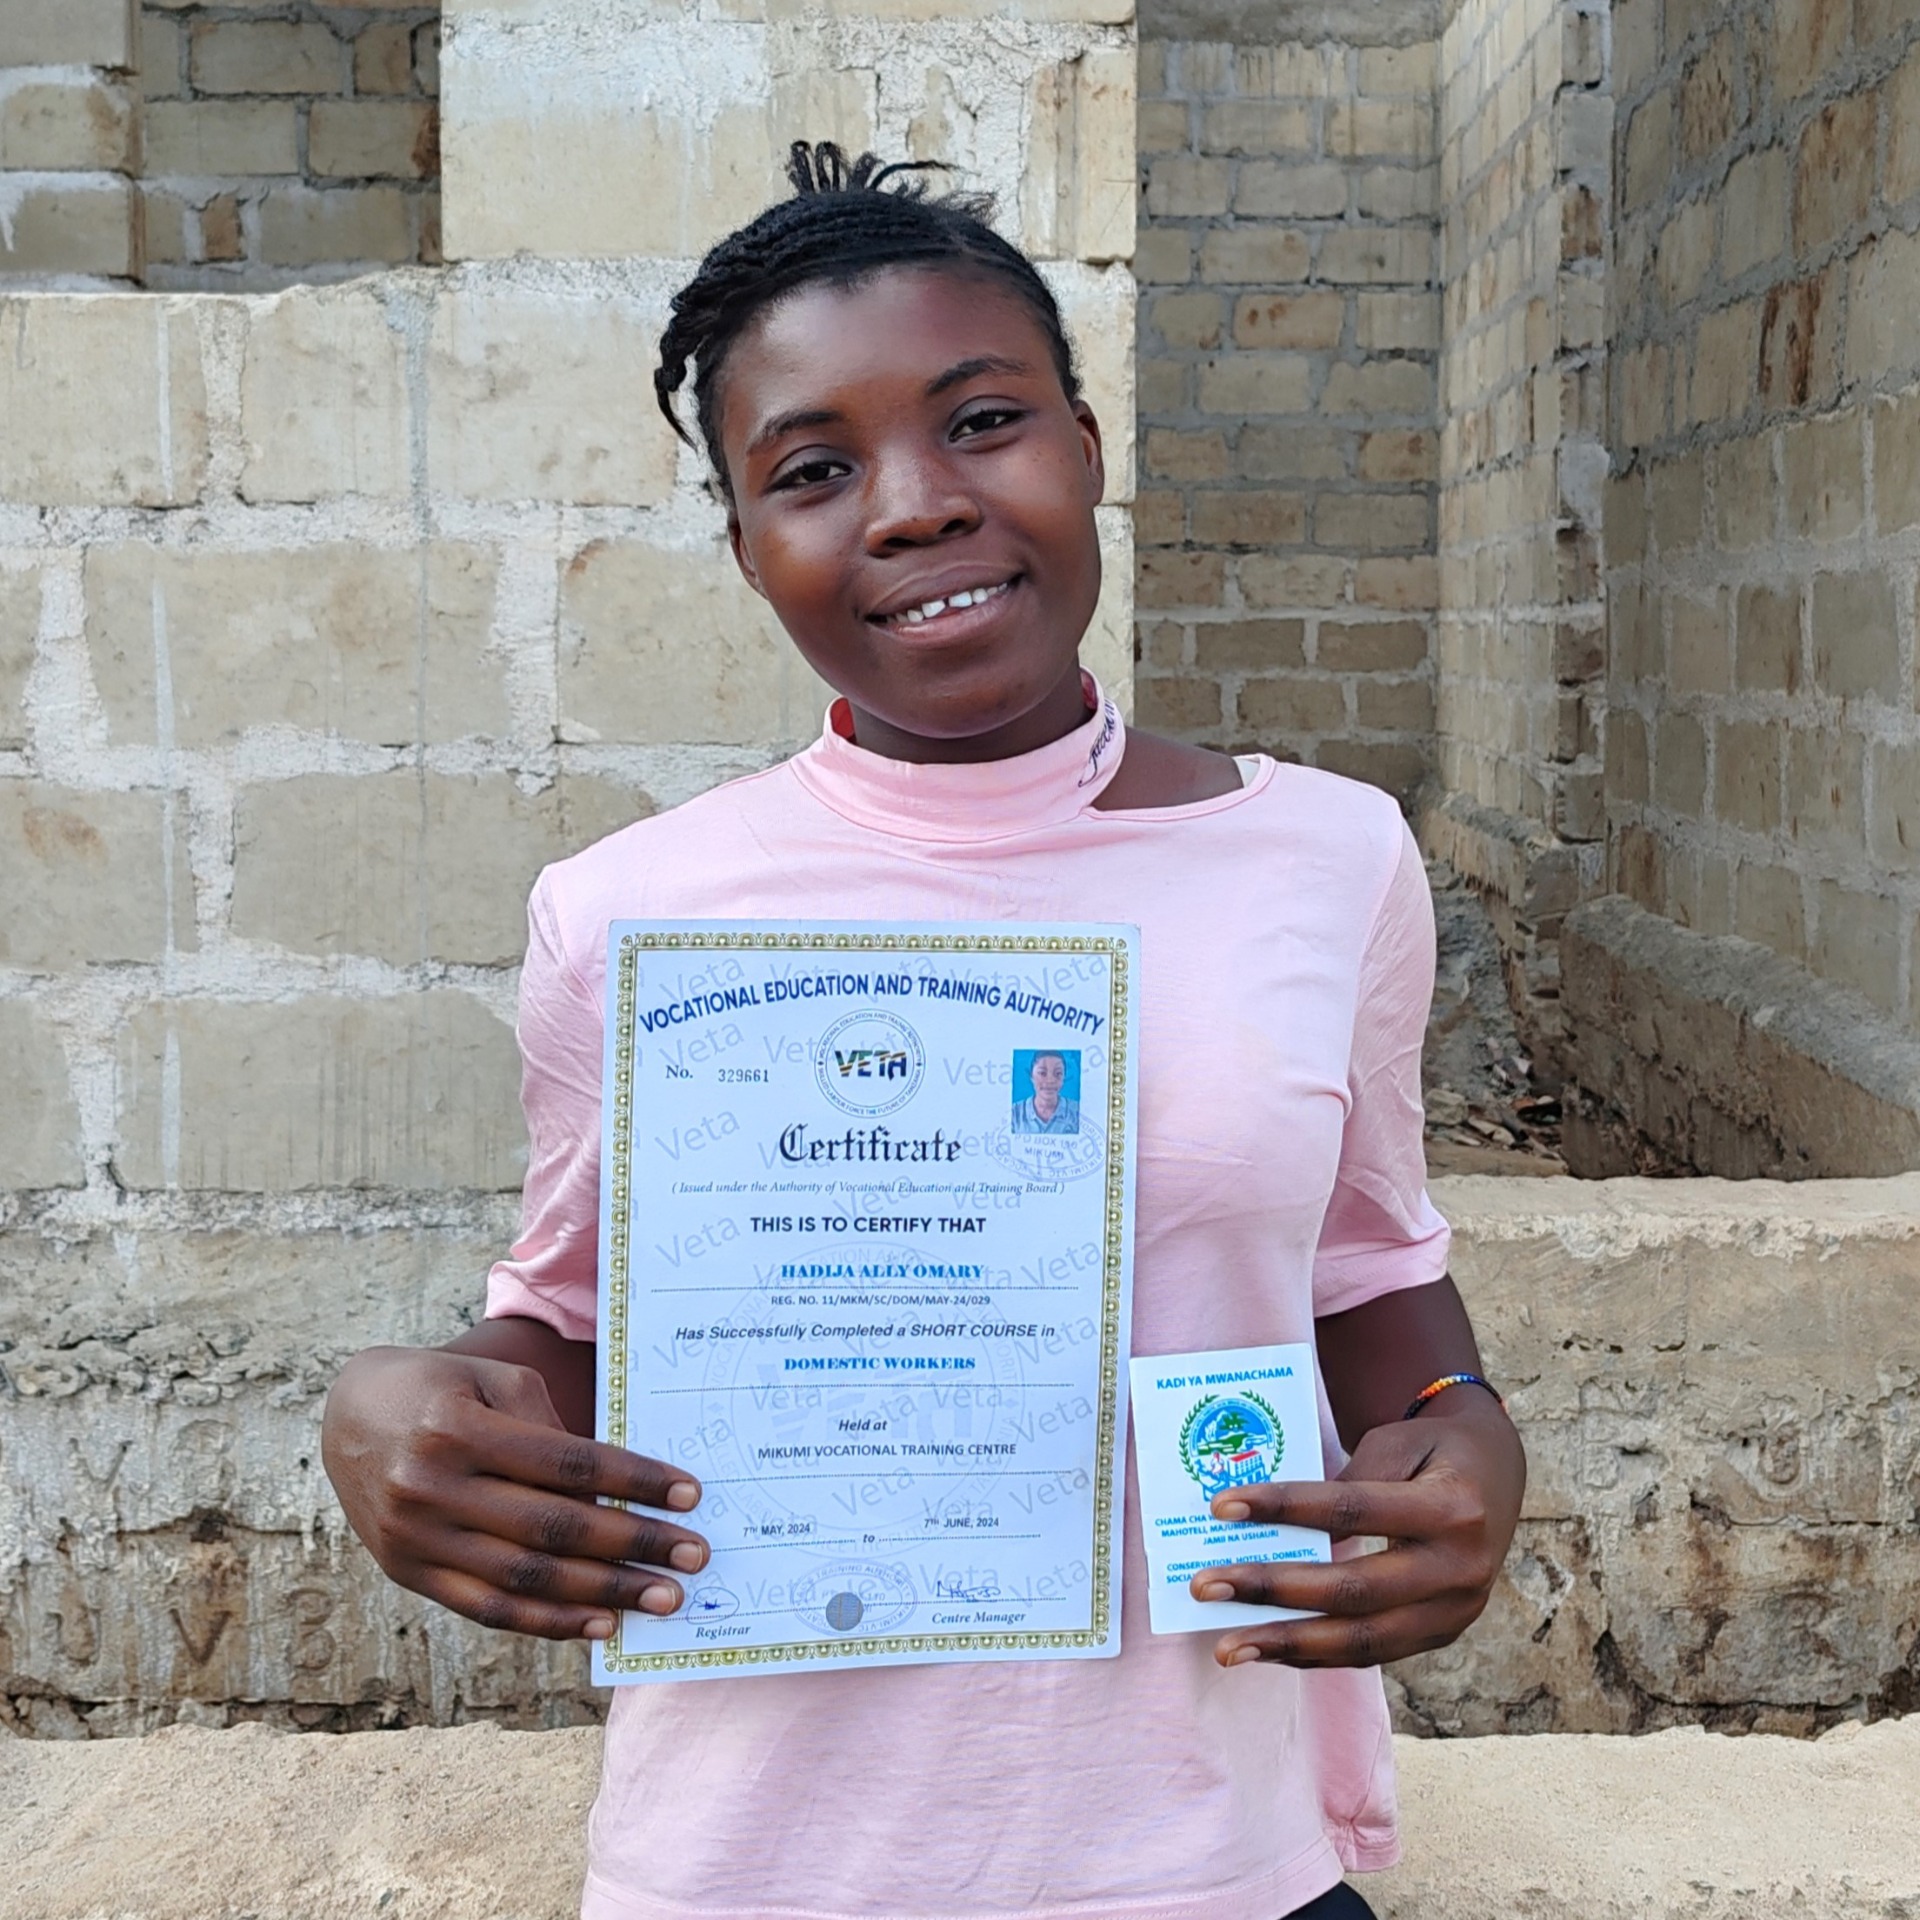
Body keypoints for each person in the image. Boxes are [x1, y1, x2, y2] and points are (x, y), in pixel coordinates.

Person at [322, 144, 1526, 1920]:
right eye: (813, 470)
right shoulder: (634, 914)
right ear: (746, 545)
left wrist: (1465, 1430)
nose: (913, 505)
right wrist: (390, 1418)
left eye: (982, 422)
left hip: (1206, 1856)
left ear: (1089, 449)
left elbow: (1371, 1274)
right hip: (758, 1863)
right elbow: (569, 1330)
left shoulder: (1327, 857)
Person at [1010, 1048, 1079, 1132]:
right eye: (1042, 1073)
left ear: (1064, 1077)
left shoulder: (1078, 1112)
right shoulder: (1013, 1114)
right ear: (1031, 1076)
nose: (1050, 1080)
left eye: (1058, 1073)